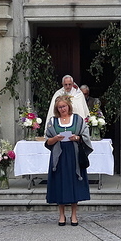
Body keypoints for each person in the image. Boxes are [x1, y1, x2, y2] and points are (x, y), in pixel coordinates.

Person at [44, 95, 92, 226]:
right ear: (56, 108)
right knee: (60, 183)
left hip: (73, 155)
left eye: (64, 106)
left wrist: (77, 138)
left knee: (74, 182)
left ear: (69, 106)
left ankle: (74, 214)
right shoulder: (52, 121)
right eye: (59, 107)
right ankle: (61, 215)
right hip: (59, 156)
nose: (62, 109)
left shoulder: (77, 119)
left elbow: (85, 136)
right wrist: (56, 138)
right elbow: (47, 141)